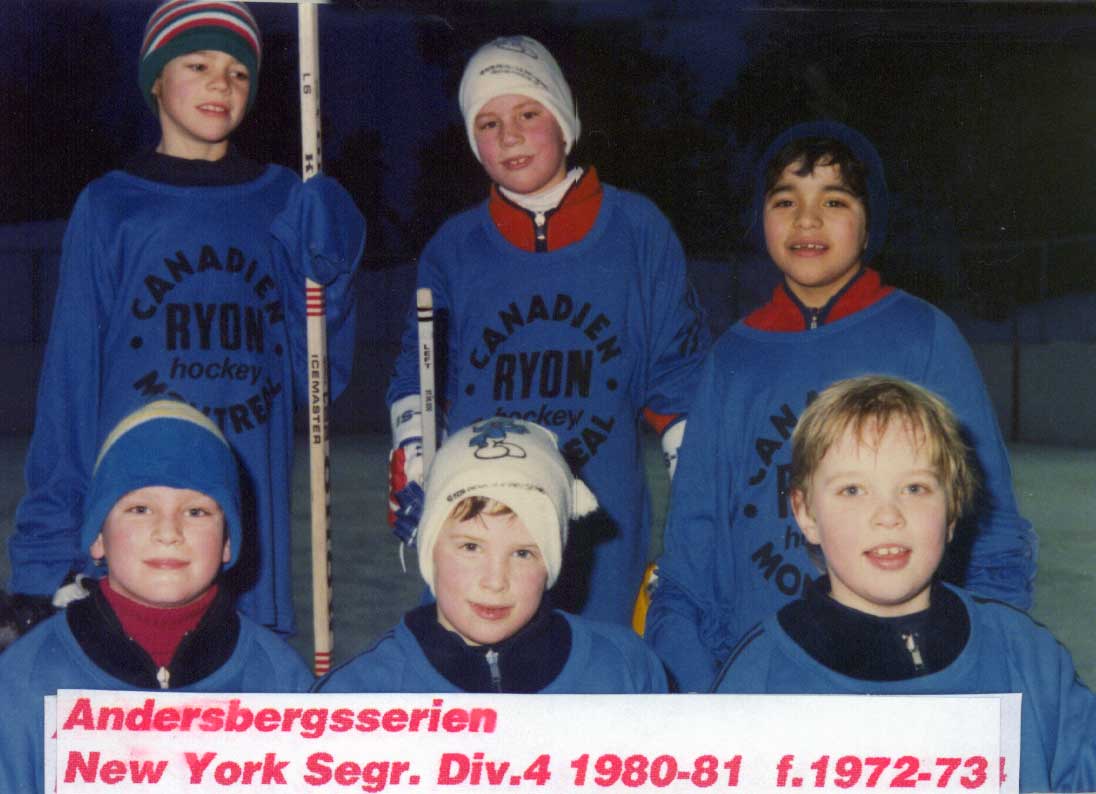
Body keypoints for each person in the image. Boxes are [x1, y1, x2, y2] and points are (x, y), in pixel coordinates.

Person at [7, 0, 365, 638]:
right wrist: (43, 559)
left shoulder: (285, 200)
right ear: (156, 79)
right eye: (198, 64)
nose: (221, 83)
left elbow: (317, 381)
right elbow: (70, 386)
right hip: (137, 534)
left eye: (238, 71)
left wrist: (333, 276)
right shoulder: (111, 206)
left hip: (244, 553)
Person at [647, 120, 1038, 691]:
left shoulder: (922, 336)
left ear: (869, 220)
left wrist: (979, 671)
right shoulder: (733, 358)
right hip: (761, 679)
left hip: (906, 678)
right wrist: (693, 685)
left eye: (834, 200)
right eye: (786, 200)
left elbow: (991, 527)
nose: (807, 220)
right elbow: (692, 546)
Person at [385, 35, 709, 626]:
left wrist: (699, 499)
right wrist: (415, 453)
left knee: (598, 667)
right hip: (484, 524)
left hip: (602, 528)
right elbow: (420, 375)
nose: (509, 136)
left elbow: (678, 379)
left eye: (528, 114)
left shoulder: (637, 231)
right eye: (488, 123)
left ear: (564, 119)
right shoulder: (454, 248)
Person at [713, 375, 1095, 792]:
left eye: (914, 488)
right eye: (853, 490)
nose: (888, 515)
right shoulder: (759, 674)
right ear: (806, 514)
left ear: (952, 510)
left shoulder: (1027, 658)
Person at [0, 400, 314, 794]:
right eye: (140, 509)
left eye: (196, 512)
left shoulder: (280, 679)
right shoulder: (24, 681)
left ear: (227, 542)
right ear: (97, 537)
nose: (168, 532)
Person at [316, 417, 669, 693]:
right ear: (429, 548)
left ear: (553, 562)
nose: (495, 581)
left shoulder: (624, 671)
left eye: (523, 553)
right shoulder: (360, 694)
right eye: (471, 547)